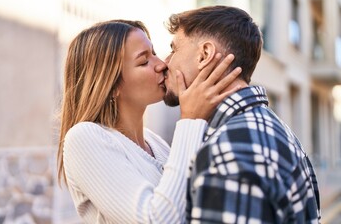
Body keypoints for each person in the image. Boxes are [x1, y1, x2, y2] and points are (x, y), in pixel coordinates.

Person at [57, 19, 242, 223]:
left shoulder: (157, 145)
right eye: (144, 61)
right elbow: (156, 219)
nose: (162, 64)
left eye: (154, 53)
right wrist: (190, 119)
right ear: (112, 85)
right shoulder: (84, 138)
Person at [163, 5, 321, 223]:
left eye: (174, 49)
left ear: (204, 55)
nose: (165, 62)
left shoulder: (229, 150)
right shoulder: (273, 128)